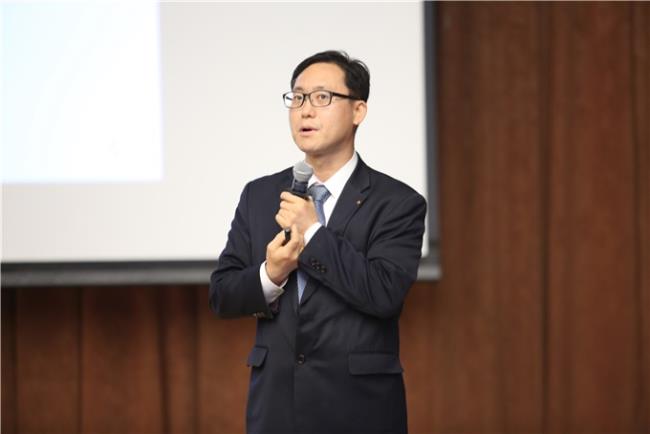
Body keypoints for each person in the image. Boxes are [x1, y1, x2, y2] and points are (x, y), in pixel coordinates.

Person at [209, 50, 426, 434]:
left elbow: (383, 294)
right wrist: (271, 274)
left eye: (322, 97)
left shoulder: (398, 203)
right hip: (276, 411)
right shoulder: (259, 195)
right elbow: (222, 295)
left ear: (358, 110)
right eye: (297, 97)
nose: (305, 110)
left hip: (359, 411)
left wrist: (312, 233)